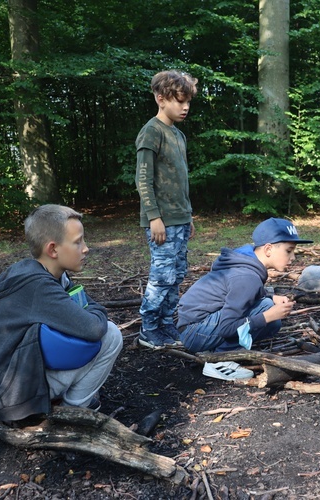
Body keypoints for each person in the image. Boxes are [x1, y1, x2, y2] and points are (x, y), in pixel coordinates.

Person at [0, 205, 123, 423]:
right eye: (78, 242)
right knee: (111, 334)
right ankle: (76, 411)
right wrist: (97, 310)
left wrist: (91, 308)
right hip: (7, 401)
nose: (86, 248)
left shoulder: (41, 273)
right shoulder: (38, 287)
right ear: (53, 250)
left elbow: (85, 308)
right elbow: (95, 327)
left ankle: (62, 401)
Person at [176, 218, 313, 380]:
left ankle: (216, 349)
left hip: (194, 327)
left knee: (272, 318)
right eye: (288, 251)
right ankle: (220, 361)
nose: (293, 257)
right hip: (195, 333)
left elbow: (239, 292)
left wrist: (271, 296)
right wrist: (267, 315)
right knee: (267, 309)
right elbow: (225, 327)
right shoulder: (246, 276)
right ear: (268, 249)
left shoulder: (246, 259)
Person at [136, 70, 199, 349]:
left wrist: (188, 215)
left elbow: (179, 179)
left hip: (180, 219)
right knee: (161, 277)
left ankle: (166, 325)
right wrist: (154, 218)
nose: (185, 107)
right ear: (161, 99)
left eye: (188, 102)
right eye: (179, 101)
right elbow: (143, 179)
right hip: (162, 222)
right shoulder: (151, 131)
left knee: (177, 274)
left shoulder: (179, 135)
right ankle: (148, 329)